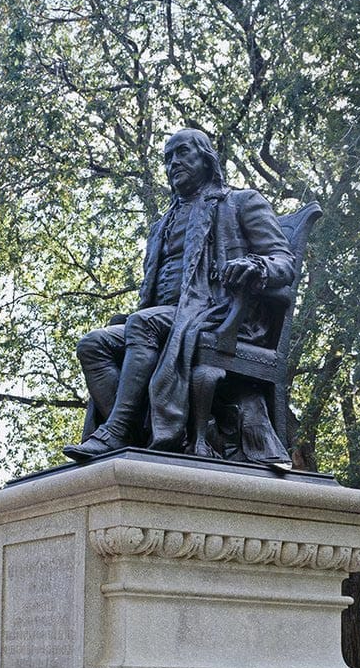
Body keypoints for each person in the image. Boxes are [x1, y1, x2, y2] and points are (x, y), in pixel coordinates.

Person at [62, 128, 295, 464]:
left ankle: (116, 430)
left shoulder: (241, 202)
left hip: (219, 314)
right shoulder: (161, 226)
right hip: (166, 320)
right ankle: (132, 433)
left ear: (206, 157)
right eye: (168, 157)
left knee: (142, 323)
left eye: (182, 153)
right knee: (94, 343)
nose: (174, 162)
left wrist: (254, 265)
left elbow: (283, 262)